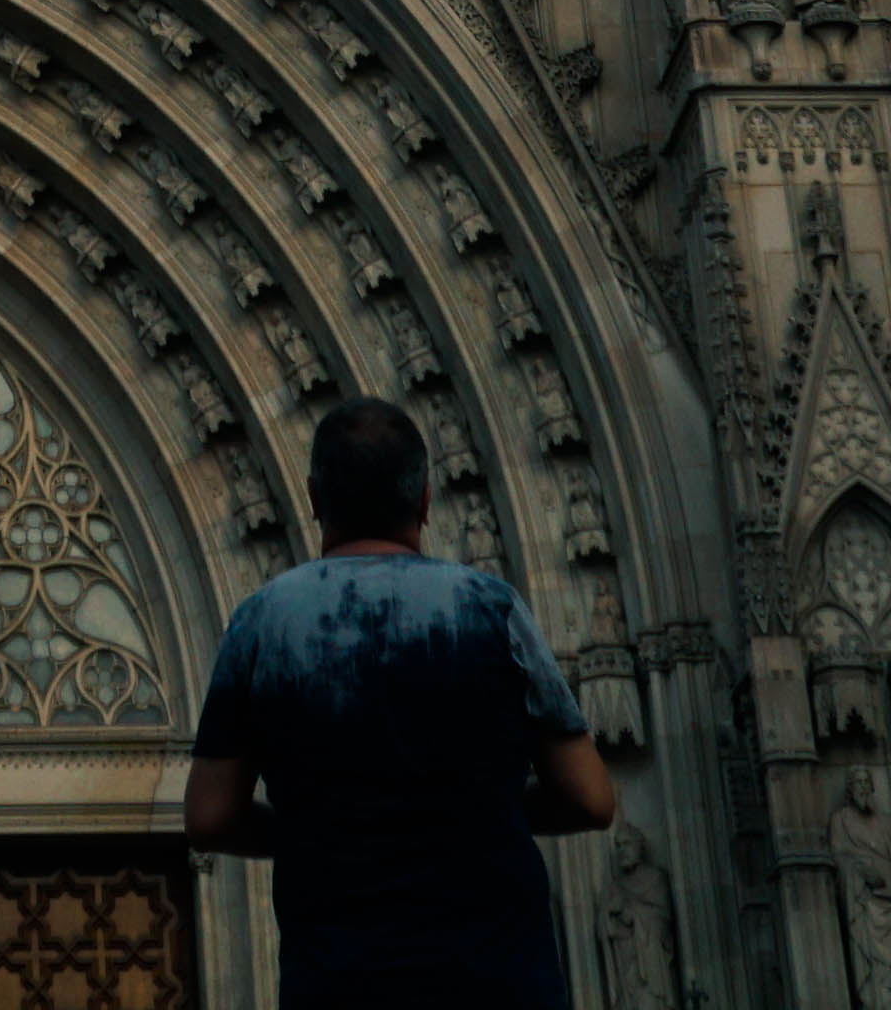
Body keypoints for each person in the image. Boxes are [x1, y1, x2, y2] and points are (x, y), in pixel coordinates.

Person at [183, 397, 624, 1005]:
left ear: (312, 498)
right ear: (423, 501)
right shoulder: (490, 610)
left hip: (338, 981)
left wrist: (327, 829)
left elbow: (209, 818)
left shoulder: (260, 623)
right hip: (497, 979)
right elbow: (591, 799)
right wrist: (474, 814)